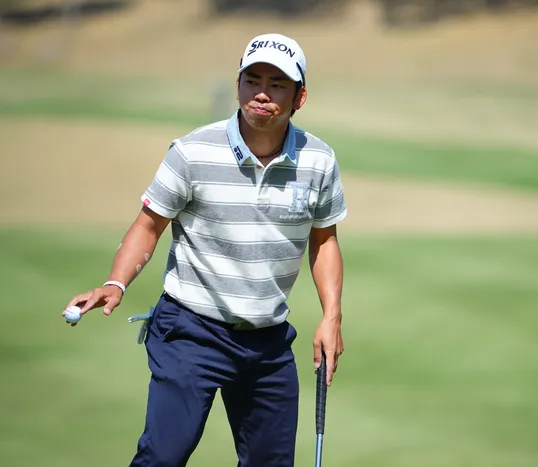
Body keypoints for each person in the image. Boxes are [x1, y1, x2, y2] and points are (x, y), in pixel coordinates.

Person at [62, 33, 347, 467]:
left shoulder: (319, 161)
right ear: (238, 86)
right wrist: (115, 282)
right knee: (163, 457)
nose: (262, 93)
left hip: (267, 341)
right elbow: (148, 225)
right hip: (191, 331)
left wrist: (331, 316)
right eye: (253, 81)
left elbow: (324, 240)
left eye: (277, 84)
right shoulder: (192, 152)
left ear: (299, 97)